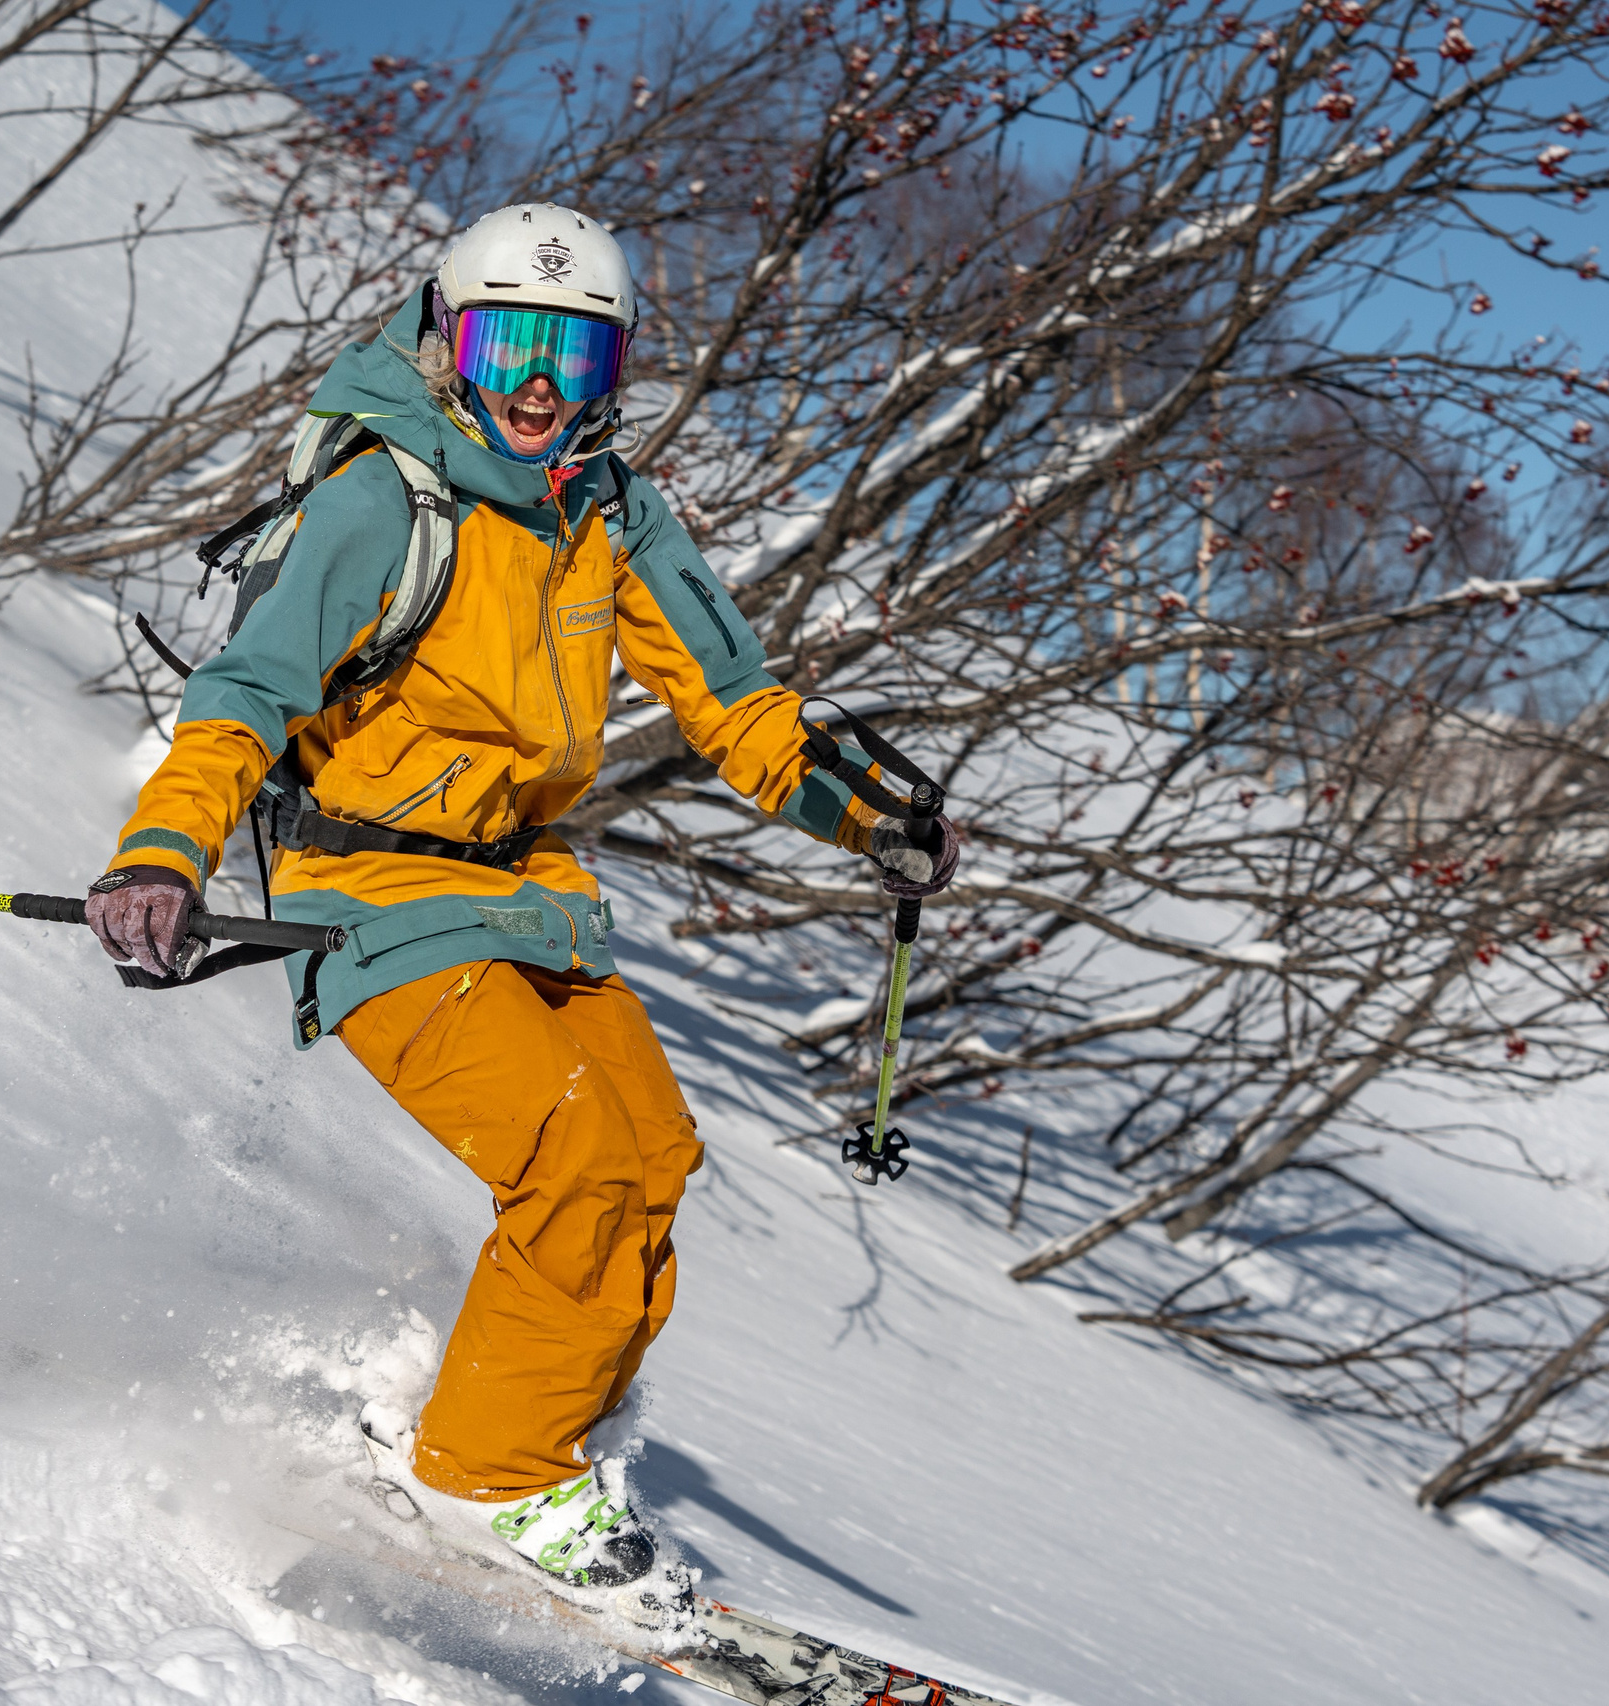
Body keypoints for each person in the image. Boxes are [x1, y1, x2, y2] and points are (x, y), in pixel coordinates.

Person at [85, 203, 959, 1589]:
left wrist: (867, 816)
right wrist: (163, 850)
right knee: (577, 1162)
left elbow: (736, 701)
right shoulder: (382, 501)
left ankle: (533, 1438)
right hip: (368, 883)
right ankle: (488, 1475)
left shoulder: (609, 510)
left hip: (524, 886)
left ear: (616, 369)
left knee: (651, 1155)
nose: (541, 386)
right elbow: (246, 694)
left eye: (577, 353)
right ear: (449, 342)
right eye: (510, 346)